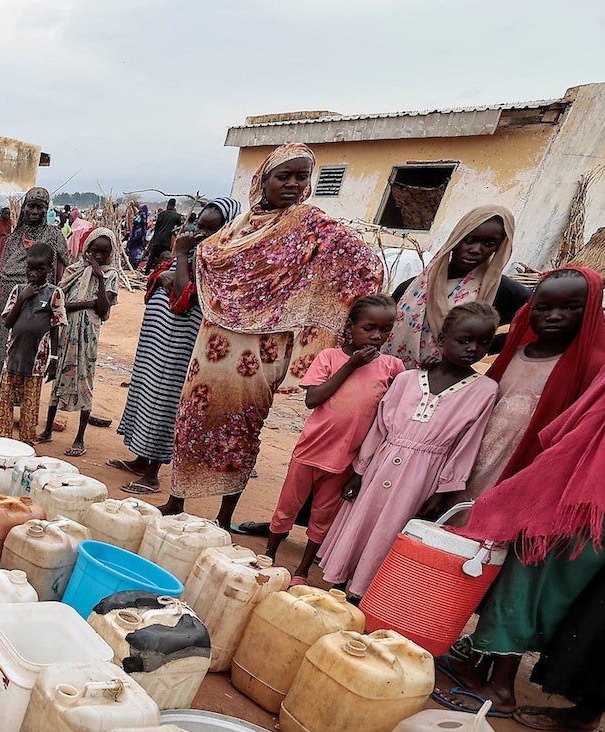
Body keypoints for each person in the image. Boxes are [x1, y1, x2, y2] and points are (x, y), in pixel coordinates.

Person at [449, 269, 605, 716]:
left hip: (580, 500)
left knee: (524, 583)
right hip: (600, 501)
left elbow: (581, 442)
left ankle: (501, 689)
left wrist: (520, 492)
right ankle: (481, 667)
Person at [165, 143, 383, 530]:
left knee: (243, 427)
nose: (294, 184)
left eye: (302, 176)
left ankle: (223, 517)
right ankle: (175, 500)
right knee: (193, 418)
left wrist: (307, 300)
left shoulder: (312, 223)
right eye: (284, 175)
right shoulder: (240, 225)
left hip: (265, 348)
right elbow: (212, 257)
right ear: (262, 180)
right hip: (215, 340)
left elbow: (363, 264)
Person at [317, 303, 500, 598]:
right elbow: (379, 428)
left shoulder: (485, 391)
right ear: (441, 340)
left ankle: (363, 593)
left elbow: (467, 445)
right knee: (362, 522)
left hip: (422, 477)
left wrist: (443, 490)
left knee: (393, 530)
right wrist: (359, 472)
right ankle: (339, 583)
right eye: (464, 340)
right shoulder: (406, 379)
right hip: (381, 465)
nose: (473, 349)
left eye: (483, 343)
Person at [260, 296, 407, 582]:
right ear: (350, 327)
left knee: (323, 517)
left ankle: (302, 570)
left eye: (385, 330)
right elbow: (313, 399)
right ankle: (268, 556)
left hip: (346, 460)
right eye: (369, 328)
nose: (377, 336)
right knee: (286, 509)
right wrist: (350, 366)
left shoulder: (391, 367)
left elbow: (401, 402)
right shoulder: (329, 357)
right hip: (310, 451)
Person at [110, 197, 242, 494]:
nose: (201, 234)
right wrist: (171, 269)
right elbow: (160, 279)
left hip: (180, 344)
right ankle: (141, 459)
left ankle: (153, 472)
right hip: (159, 341)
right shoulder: (196, 255)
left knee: (165, 400)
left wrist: (179, 256)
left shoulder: (221, 260)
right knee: (147, 393)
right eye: (200, 226)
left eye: (212, 229)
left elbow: (183, 295)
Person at [460, 266, 605, 500]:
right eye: (543, 308)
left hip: (524, 471)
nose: (554, 315)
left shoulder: (593, 368)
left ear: (590, 309)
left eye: (570, 307)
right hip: (475, 461)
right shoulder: (513, 354)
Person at [385, 206, 529, 369]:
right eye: (470, 240)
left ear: (499, 248)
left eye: (489, 244)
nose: (476, 250)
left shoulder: (506, 293)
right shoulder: (411, 288)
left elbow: (522, 336)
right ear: (457, 237)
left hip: (450, 386)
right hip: (392, 378)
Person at [0, 189, 70, 395]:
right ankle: (1, 403)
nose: (35, 211)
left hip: (38, 304)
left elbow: (64, 270)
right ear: (24, 209)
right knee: (2, 349)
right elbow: (2, 271)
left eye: (40, 207)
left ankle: (23, 406)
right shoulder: (12, 238)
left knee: (28, 353)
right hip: (8, 302)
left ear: (46, 210)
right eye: (31, 206)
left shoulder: (54, 235)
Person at [47, 227, 120, 453]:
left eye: (104, 252)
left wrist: (98, 277)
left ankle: (80, 438)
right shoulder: (73, 271)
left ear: (111, 252)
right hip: (67, 333)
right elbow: (60, 305)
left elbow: (103, 309)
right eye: (94, 250)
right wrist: (89, 304)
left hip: (88, 337)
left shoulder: (110, 275)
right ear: (86, 248)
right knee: (59, 378)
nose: (98, 256)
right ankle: (48, 429)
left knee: (85, 381)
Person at [0, 243, 65, 442]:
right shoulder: (18, 291)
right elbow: (8, 322)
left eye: (39, 269)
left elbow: (56, 327)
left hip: (36, 363)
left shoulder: (54, 294)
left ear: (49, 269)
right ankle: (2, 442)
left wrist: (54, 358)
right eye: (29, 269)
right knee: (4, 404)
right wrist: (22, 299)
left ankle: (27, 443)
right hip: (12, 359)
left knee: (30, 406)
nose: (33, 273)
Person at [145, 198, 183, 270]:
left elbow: (156, 228)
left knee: (152, 257)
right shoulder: (177, 216)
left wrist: (154, 238)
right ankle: (161, 271)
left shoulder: (161, 214)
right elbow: (179, 229)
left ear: (168, 204)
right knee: (165, 257)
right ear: (174, 205)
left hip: (158, 239)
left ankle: (147, 271)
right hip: (167, 240)